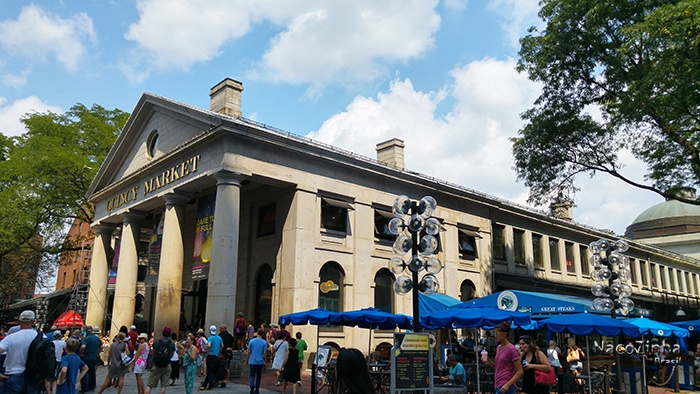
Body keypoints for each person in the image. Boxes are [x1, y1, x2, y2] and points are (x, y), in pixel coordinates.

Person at [0, 310, 40, 394]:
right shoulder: (41, 337)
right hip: (33, 377)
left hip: (13, 375)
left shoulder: (11, 338)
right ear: (33, 322)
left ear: (19, 321)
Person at [485, 322, 522, 394]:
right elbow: (500, 366)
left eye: (497, 334)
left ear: (504, 334)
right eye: (494, 333)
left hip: (506, 383)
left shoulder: (511, 349)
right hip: (498, 382)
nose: (495, 336)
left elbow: (520, 371)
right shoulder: (499, 347)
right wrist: (489, 362)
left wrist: (508, 384)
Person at [145, 326, 175, 394]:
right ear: (170, 334)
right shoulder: (172, 344)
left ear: (162, 333)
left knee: (149, 385)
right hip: (167, 365)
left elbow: (152, 352)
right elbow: (171, 355)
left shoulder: (156, 342)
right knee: (163, 386)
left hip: (157, 365)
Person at [80, 326, 102, 393]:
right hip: (93, 357)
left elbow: (83, 346)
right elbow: (101, 347)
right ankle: (92, 386)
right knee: (92, 372)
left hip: (86, 357)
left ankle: (84, 388)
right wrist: (97, 352)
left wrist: (81, 353)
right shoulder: (97, 338)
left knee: (84, 372)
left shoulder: (86, 339)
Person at [200, 325, 222, 390]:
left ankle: (210, 385)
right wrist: (219, 351)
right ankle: (205, 384)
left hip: (211, 355)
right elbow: (222, 345)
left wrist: (207, 351)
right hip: (216, 356)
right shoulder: (219, 338)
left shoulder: (210, 338)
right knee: (211, 371)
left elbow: (209, 345)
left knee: (210, 371)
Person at [246, 329, 267, 394]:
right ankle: (257, 389)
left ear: (257, 333)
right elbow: (264, 352)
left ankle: (252, 385)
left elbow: (248, 352)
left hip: (252, 360)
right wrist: (265, 361)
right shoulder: (264, 342)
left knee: (252, 375)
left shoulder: (252, 341)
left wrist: (247, 360)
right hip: (260, 361)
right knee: (258, 376)